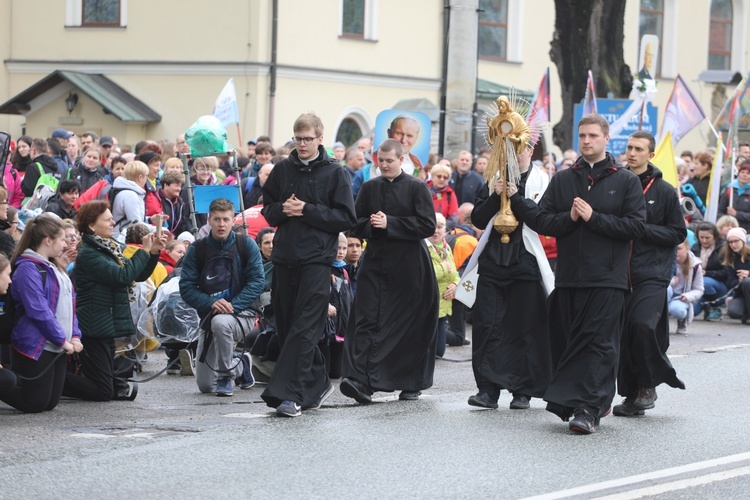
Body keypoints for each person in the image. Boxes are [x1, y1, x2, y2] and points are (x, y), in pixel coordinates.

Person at [535, 114, 646, 434]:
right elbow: (543, 222)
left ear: (606, 139)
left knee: (599, 345)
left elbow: (636, 227)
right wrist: (570, 218)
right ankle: (574, 402)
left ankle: (589, 409)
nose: (586, 141)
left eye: (593, 135)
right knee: (570, 342)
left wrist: (594, 217)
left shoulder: (626, 180)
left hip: (608, 279)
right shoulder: (563, 179)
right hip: (569, 276)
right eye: (582, 135)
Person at [260, 113, 356, 417]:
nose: (301, 144)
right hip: (285, 257)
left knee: (304, 328)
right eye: (297, 138)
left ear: (319, 139)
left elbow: (346, 218)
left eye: (307, 139)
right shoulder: (282, 170)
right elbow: (269, 211)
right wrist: (284, 209)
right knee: (289, 328)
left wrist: (308, 210)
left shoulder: (335, 173)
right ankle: (316, 383)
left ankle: (288, 395)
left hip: (317, 260)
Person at [340, 138, 438, 404]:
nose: (383, 165)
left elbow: (428, 225)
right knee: (368, 318)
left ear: (401, 160)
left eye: (389, 161)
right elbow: (355, 223)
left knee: (408, 325)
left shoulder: (417, 187)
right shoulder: (370, 187)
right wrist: (372, 227)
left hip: (409, 267)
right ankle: (362, 381)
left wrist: (391, 223)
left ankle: (410, 382)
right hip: (376, 263)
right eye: (380, 161)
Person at [468, 144, 554, 411]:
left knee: (524, 328)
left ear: (530, 150)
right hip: (493, 261)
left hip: (525, 261)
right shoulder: (494, 176)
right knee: (486, 325)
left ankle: (522, 391)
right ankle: (487, 390)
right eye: (509, 149)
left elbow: (542, 221)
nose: (515, 155)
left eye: (520, 149)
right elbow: (479, 219)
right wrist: (496, 196)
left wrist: (516, 197)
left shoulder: (542, 179)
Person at [615, 131, 687, 418]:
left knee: (643, 326)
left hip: (653, 272)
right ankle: (633, 394)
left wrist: (640, 228)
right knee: (622, 334)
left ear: (650, 154)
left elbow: (678, 233)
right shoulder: (616, 184)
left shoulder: (665, 191)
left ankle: (648, 384)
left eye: (639, 149)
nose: (632, 153)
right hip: (618, 272)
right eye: (629, 147)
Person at [63, 200, 164, 401]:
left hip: (105, 324)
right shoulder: (89, 254)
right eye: (108, 219)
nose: (112, 223)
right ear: (92, 226)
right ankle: (53, 380)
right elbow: (123, 276)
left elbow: (138, 274)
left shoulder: (109, 247)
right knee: (103, 392)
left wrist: (152, 253)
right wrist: (143, 251)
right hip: (94, 326)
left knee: (107, 386)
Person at [179, 198, 264, 396]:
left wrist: (232, 305)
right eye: (217, 219)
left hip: (243, 313)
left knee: (221, 322)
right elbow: (186, 288)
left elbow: (257, 282)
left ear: (233, 220)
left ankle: (226, 375)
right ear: (209, 219)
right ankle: (239, 364)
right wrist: (211, 303)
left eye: (226, 219)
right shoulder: (197, 249)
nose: (221, 224)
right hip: (209, 316)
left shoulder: (247, 245)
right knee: (205, 386)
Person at [0, 215, 81, 413]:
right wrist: (62, 340)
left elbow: (70, 304)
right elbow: (38, 310)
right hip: (37, 342)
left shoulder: (56, 267)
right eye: (62, 239)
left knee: (50, 403)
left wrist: (75, 335)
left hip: (59, 342)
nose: (65, 244)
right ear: (48, 240)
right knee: (34, 403)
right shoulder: (28, 267)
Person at [426, 213, 459, 359]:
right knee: (433, 353)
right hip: (428, 307)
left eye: (439, 227)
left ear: (445, 230)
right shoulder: (422, 247)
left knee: (439, 352)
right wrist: (444, 267)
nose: (436, 231)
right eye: (432, 226)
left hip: (443, 307)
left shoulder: (446, 247)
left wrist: (455, 285)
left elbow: (455, 273)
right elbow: (426, 275)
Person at [111, 161, 163, 242]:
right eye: (146, 176)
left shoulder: (128, 192)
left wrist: (149, 220)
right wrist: (158, 229)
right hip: (121, 239)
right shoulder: (130, 195)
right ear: (140, 177)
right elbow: (136, 224)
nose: (147, 179)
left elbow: (130, 218)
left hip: (122, 237)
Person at [691, 221, 728, 320]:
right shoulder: (695, 248)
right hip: (698, 285)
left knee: (706, 282)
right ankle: (706, 305)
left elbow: (726, 273)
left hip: (719, 285)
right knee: (691, 311)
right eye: (701, 237)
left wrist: (707, 273)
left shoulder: (723, 248)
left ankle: (715, 306)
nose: (704, 241)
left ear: (715, 236)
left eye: (707, 238)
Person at [668, 240, 704, 335]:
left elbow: (699, 289)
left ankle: (681, 321)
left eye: (679, 249)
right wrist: (671, 282)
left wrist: (687, 296)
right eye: (674, 249)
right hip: (667, 293)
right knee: (667, 289)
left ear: (687, 249)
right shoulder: (667, 261)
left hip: (680, 297)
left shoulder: (695, 266)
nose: (676, 252)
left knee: (677, 310)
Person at [722, 227, 750, 323]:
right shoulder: (730, 259)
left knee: (748, 282)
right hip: (741, 293)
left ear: (743, 240)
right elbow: (729, 282)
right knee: (734, 312)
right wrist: (739, 281)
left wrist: (748, 274)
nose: (733, 245)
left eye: (736, 241)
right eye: (730, 242)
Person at [157, 171, 193, 237]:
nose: (179, 189)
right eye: (176, 186)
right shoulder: (157, 198)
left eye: (180, 186)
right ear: (166, 186)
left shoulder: (180, 202)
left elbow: (183, 224)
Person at [719, 160, 750, 232]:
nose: (744, 175)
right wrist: (725, 221)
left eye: (748, 173)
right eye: (742, 172)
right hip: (729, 228)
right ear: (738, 174)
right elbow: (720, 210)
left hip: (746, 229)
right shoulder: (730, 189)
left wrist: (736, 214)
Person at [428, 164, 459, 231]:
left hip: (442, 231)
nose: (442, 179)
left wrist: (440, 228)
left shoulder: (450, 194)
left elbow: (454, 219)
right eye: (439, 176)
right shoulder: (424, 190)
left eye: (445, 177)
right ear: (432, 177)